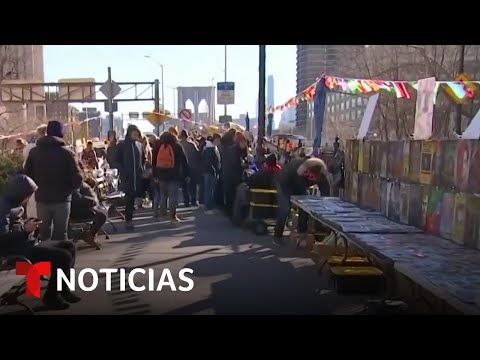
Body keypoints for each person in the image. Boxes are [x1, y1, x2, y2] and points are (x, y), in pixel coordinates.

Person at [0, 174, 81, 310]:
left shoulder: (14, 204)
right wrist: (25, 231)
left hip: (25, 245)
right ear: (20, 193)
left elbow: (14, 229)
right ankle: (51, 297)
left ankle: (63, 289)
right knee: (63, 257)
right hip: (15, 255)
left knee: (69, 246)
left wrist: (27, 225)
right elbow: (3, 240)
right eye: (28, 194)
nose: (29, 198)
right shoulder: (3, 209)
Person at [24, 120, 83, 242]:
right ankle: (61, 259)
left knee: (44, 233)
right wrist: (71, 188)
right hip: (62, 198)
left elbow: (27, 175)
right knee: (61, 233)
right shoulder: (67, 153)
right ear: (60, 133)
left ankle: (45, 259)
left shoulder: (34, 152)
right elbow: (77, 177)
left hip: (42, 197)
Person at [273, 157, 331, 246]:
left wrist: (325, 204)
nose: (312, 180)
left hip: (299, 184)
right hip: (284, 182)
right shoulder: (299, 169)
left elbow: (325, 190)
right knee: (284, 208)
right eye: (311, 177)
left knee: (305, 207)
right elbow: (300, 188)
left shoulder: (320, 173)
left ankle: (302, 232)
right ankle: (277, 235)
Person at [152, 131, 189, 223]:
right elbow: (184, 161)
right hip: (174, 175)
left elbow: (154, 162)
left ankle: (162, 214)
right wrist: (187, 174)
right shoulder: (177, 146)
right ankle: (172, 216)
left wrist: (155, 174)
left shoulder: (158, 146)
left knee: (163, 195)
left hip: (161, 175)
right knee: (173, 196)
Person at [115, 125, 145, 230]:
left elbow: (143, 159)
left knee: (132, 199)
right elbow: (116, 160)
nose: (136, 136)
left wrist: (142, 169)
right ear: (129, 134)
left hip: (137, 177)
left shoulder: (139, 145)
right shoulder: (122, 145)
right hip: (127, 177)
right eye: (134, 134)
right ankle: (128, 220)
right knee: (129, 198)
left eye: (137, 134)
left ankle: (129, 218)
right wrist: (123, 170)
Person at [70, 178, 105, 250]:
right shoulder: (74, 184)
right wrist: (91, 200)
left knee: (103, 213)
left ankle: (91, 234)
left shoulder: (79, 183)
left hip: (88, 207)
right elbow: (76, 198)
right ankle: (90, 235)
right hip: (81, 210)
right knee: (102, 215)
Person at [222, 132, 249, 218]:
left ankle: (232, 214)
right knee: (231, 196)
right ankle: (231, 214)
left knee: (233, 196)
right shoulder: (233, 151)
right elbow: (235, 164)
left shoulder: (239, 150)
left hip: (234, 177)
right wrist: (244, 166)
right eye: (243, 142)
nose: (244, 144)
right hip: (231, 177)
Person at [179, 130, 201, 207]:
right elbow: (197, 155)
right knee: (192, 185)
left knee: (184, 186)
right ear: (187, 135)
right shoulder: (192, 144)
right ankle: (193, 200)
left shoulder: (178, 144)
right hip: (192, 167)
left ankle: (186, 201)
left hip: (182, 168)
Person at [202, 133, 221, 215]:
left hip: (208, 171)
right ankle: (208, 207)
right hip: (211, 172)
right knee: (210, 190)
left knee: (208, 189)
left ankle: (208, 206)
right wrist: (215, 170)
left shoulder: (208, 147)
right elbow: (211, 162)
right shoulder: (211, 149)